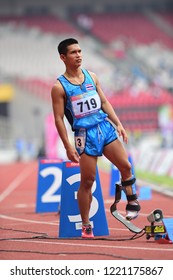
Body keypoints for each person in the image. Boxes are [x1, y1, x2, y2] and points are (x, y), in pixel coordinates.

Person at [51, 38, 141, 238]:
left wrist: (118, 123)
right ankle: (85, 224)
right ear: (63, 57)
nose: (79, 55)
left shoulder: (92, 76)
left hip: (104, 128)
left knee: (125, 166)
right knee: (87, 181)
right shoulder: (59, 87)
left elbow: (104, 102)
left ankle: (132, 201)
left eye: (80, 51)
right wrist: (67, 146)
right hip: (84, 134)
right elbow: (58, 119)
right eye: (74, 52)